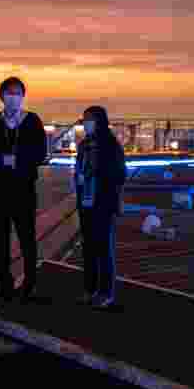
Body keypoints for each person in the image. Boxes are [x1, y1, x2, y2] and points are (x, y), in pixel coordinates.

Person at [0, 76, 48, 302]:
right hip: (0, 187)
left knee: (27, 237)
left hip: (24, 187)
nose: (13, 97)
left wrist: (18, 160)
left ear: (23, 96)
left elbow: (40, 153)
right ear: (2, 96)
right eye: (9, 93)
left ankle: (30, 282)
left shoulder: (33, 120)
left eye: (17, 93)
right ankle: (4, 283)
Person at [75, 106, 127, 309]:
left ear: (100, 121)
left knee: (104, 248)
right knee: (88, 247)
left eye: (89, 119)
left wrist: (95, 178)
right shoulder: (84, 145)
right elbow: (80, 168)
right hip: (86, 201)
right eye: (84, 119)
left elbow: (120, 175)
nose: (85, 123)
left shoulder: (110, 145)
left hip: (103, 202)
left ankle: (106, 292)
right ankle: (90, 290)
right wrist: (80, 179)